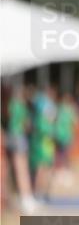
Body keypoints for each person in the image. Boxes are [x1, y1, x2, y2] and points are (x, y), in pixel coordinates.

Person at [2, 85, 37, 213]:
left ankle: (21, 197)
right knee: (21, 169)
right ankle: (25, 197)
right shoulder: (20, 105)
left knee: (14, 169)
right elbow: (26, 123)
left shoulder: (9, 103)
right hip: (18, 137)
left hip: (12, 136)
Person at [53, 91, 78, 187]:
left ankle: (60, 173)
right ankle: (64, 173)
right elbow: (75, 122)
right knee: (65, 156)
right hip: (65, 136)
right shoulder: (70, 110)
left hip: (60, 135)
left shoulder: (58, 109)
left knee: (60, 155)